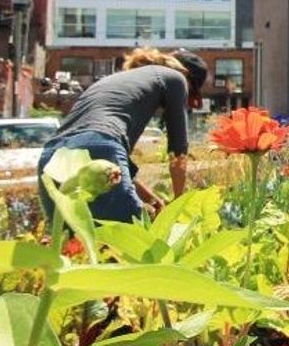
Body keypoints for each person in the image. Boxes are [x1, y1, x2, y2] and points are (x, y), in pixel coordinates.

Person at [37, 47, 208, 222]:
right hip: (101, 145)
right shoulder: (175, 78)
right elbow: (178, 151)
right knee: (136, 238)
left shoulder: (114, 82)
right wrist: (177, 206)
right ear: (185, 75)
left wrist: (150, 199)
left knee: (72, 245)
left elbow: (108, 162)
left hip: (51, 156)